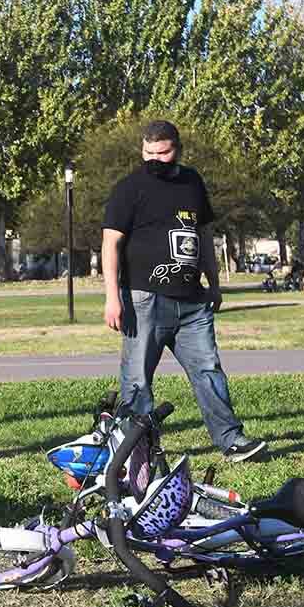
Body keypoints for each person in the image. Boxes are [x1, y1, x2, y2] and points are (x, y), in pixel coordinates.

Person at [101, 120, 266, 463]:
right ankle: (139, 453)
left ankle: (232, 441)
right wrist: (112, 298)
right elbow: (110, 243)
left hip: (192, 302)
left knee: (209, 370)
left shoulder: (193, 182)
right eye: (149, 153)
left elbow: (204, 236)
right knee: (137, 380)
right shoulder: (130, 188)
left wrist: (215, 284)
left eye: (163, 153)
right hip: (144, 299)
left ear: (177, 148)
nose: (156, 160)